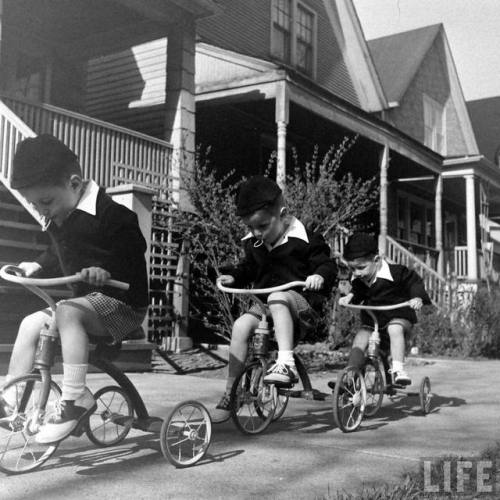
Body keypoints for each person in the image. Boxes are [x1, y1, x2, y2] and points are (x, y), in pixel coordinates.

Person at [0, 134, 149, 443]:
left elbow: (134, 250)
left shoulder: (113, 214)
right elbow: (58, 254)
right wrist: (37, 265)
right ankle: (11, 401)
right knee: (31, 323)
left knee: (66, 311)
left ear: (75, 182)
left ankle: (75, 399)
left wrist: (106, 271)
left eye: (45, 202)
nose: (42, 212)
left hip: (124, 307)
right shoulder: (61, 218)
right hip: (85, 307)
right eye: (34, 204)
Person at [212, 175, 337, 422]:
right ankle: (231, 393)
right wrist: (234, 277)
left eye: (263, 226)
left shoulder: (307, 240)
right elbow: (248, 268)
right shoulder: (254, 243)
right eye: (251, 228)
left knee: (278, 296)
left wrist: (319, 275)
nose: (257, 233)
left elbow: (327, 264)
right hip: (266, 307)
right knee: (240, 326)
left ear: (283, 214)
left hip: (299, 308)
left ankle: (286, 363)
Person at [337, 232, 431, 386]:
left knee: (394, 328)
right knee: (360, 338)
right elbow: (357, 292)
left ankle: (398, 369)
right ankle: (350, 375)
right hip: (373, 322)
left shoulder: (397, 273)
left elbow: (414, 282)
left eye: (361, 268)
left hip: (398, 317)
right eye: (352, 269)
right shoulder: (359, 280)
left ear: (376, 260)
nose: (356, 273)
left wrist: (417, 298)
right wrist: (349, 298)